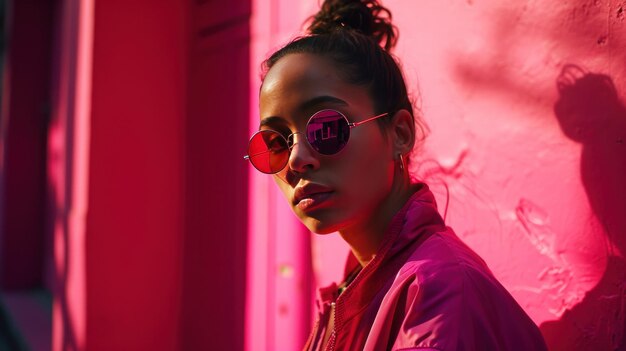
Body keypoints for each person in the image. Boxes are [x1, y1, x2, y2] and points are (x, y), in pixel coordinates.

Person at [244, 0, 548, 350]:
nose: (297, 160)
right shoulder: (354, 293)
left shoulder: (438, 292)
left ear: (400, 133)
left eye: (326, 129)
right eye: (276, 142)